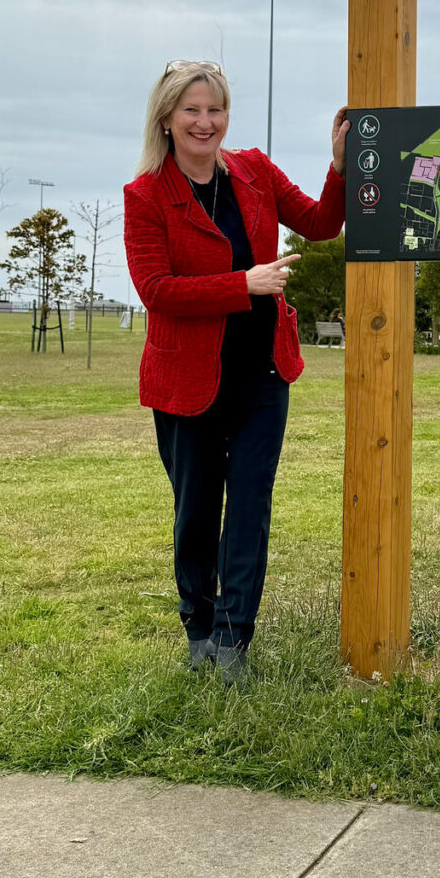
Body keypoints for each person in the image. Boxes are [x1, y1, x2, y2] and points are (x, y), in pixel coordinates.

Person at [124, 60, 349, 684]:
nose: (205, 122)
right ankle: (198, 627)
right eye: (191, 111)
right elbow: (156, 289)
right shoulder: (145, 195)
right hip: (186, 382)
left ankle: (232, 639)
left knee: (249, 506)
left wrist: (338, 167)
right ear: (166, 119)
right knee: (196, 511)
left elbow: (320, 224)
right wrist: (242, 284)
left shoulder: (254, 169)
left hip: (262, 374)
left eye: (215, 109)